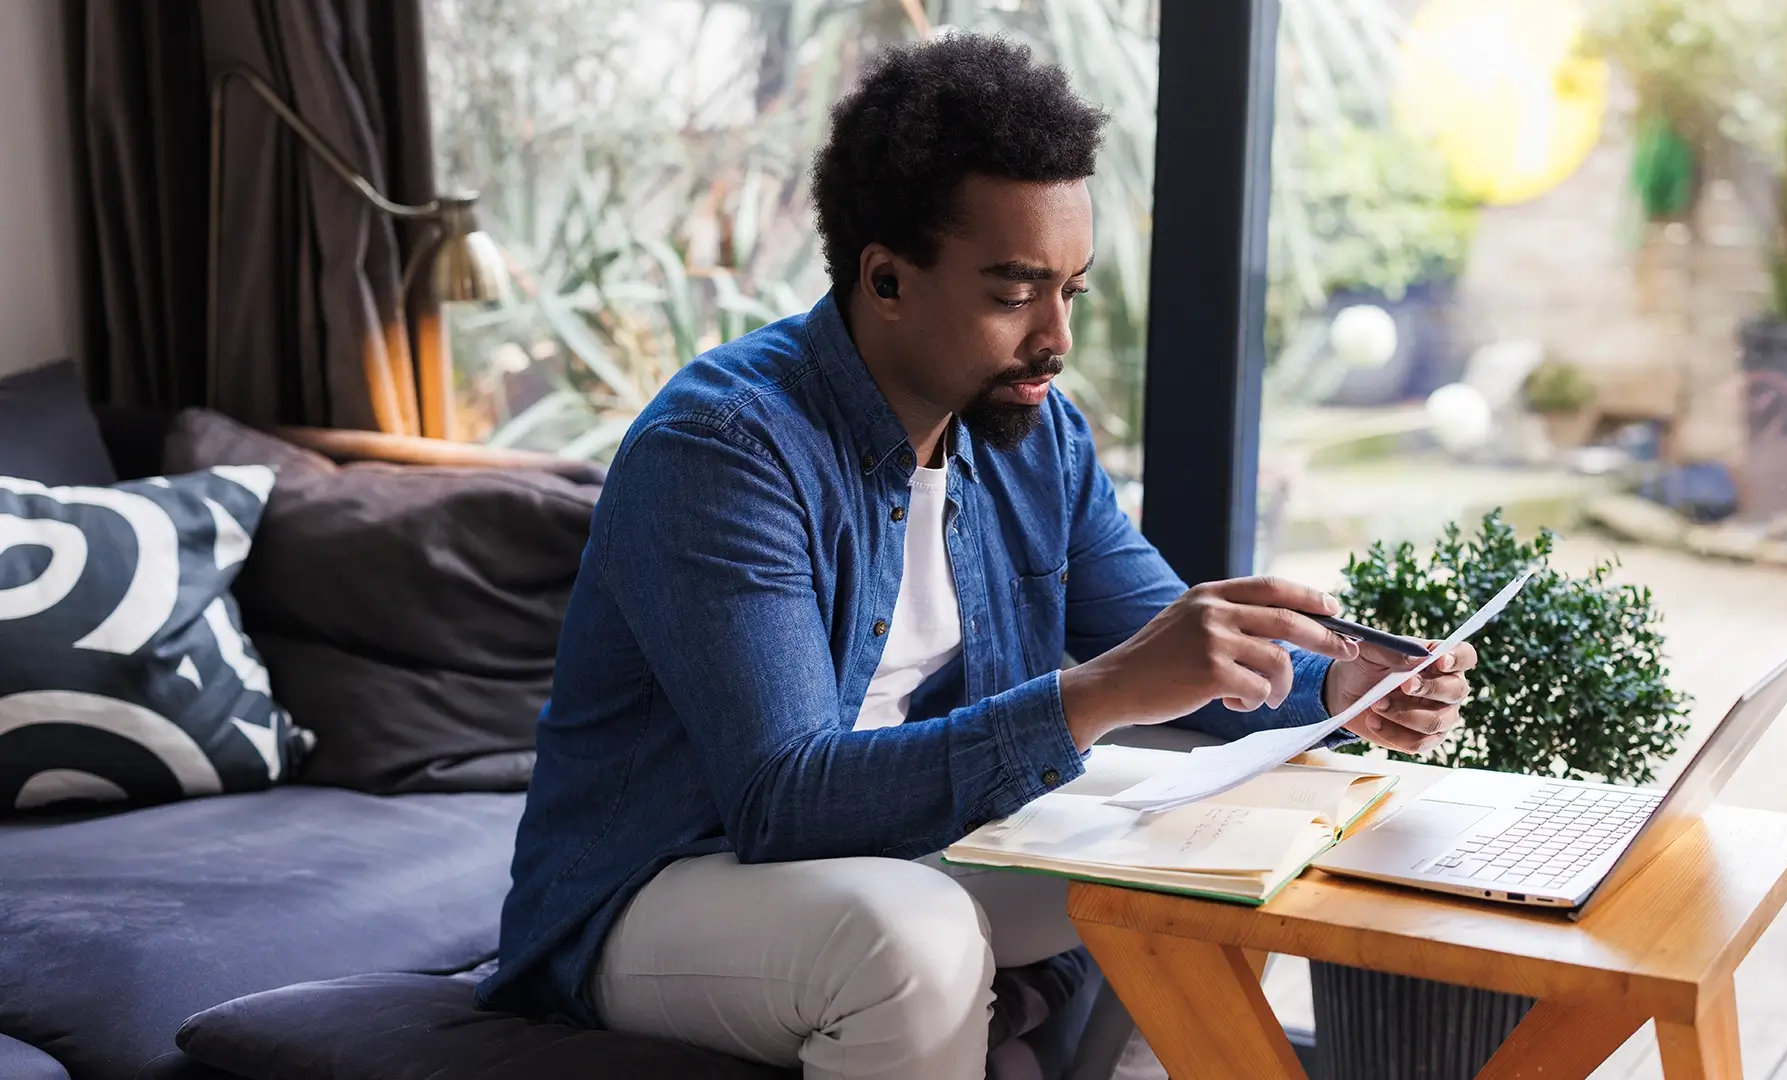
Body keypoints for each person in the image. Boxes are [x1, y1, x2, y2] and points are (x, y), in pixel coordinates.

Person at [477, 30, 1477, 1079]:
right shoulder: (725, 449)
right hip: (665, 881)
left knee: (1223, 839)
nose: (1057, 338)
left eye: (1072, 291)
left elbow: (1167, 649)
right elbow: (783, 801)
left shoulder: (1031, 435)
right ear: (887, 280)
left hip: (895, 838)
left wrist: (1344, 686)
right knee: (909, 938)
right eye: (1013, 293)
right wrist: (1098, 694)